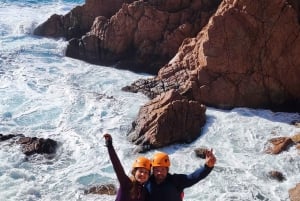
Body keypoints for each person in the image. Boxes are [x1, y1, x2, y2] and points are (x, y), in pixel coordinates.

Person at [145, 149, 216, 201]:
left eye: (162, 169)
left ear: (167, 170)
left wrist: (207, 167)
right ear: (152, 170)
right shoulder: (147, 181)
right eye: (156, 170)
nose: (159, 173)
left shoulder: (176, 181)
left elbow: (193, 177)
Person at [104, 133, 151, 201]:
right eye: (140, 171)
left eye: (146, 172)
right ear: (134, 172)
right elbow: (117, 166)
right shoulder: (126, 183)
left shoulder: (143, 191)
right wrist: (110, 146)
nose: (143, 174)